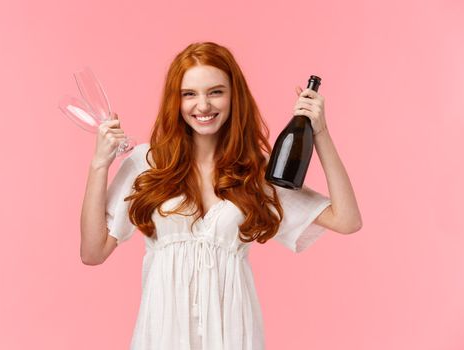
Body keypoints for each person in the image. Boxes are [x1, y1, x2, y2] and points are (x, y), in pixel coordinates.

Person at [80, 41, 362, 350]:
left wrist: (320, 133)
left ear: (233, 96)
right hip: (161, 337)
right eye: (189, 94)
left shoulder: (255, 172)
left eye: (215, 92)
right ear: (175, 101)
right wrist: (99, 165)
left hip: (234, 336)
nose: (203, 106)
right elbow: (93, 252)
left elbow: (346, 219)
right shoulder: (146, 163)